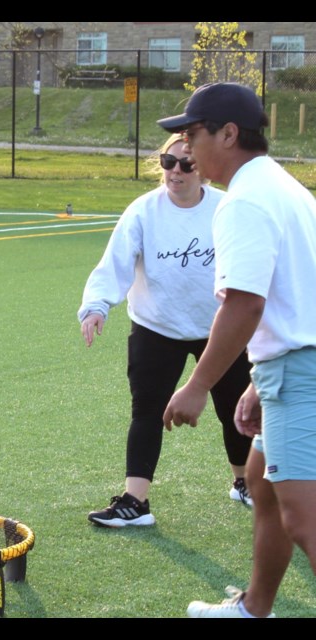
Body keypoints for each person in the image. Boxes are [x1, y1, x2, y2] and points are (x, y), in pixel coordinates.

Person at [159, 83, 316, 618]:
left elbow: (245, 306)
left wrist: (199, 385)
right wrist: (256, 381)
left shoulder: (244, 202)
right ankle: (253, 609)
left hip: (300, 372)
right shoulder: (284, 187)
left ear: (228, 134)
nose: (185, 151)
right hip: (290, 367)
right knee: (262, 486)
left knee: (304, 517)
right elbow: (295, 295)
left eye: (192, 135)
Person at [79, 133, 253, 529]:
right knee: (147, 410)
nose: (175, 171)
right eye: (168, 162)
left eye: (186, 164)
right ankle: (135, 502)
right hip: (156, 327)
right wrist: (96, 306)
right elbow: (115, 263)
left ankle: (243, 482)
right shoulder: (143, 211)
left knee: (235, 412)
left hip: (218, 328)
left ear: (203, 171)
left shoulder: (226, 209)